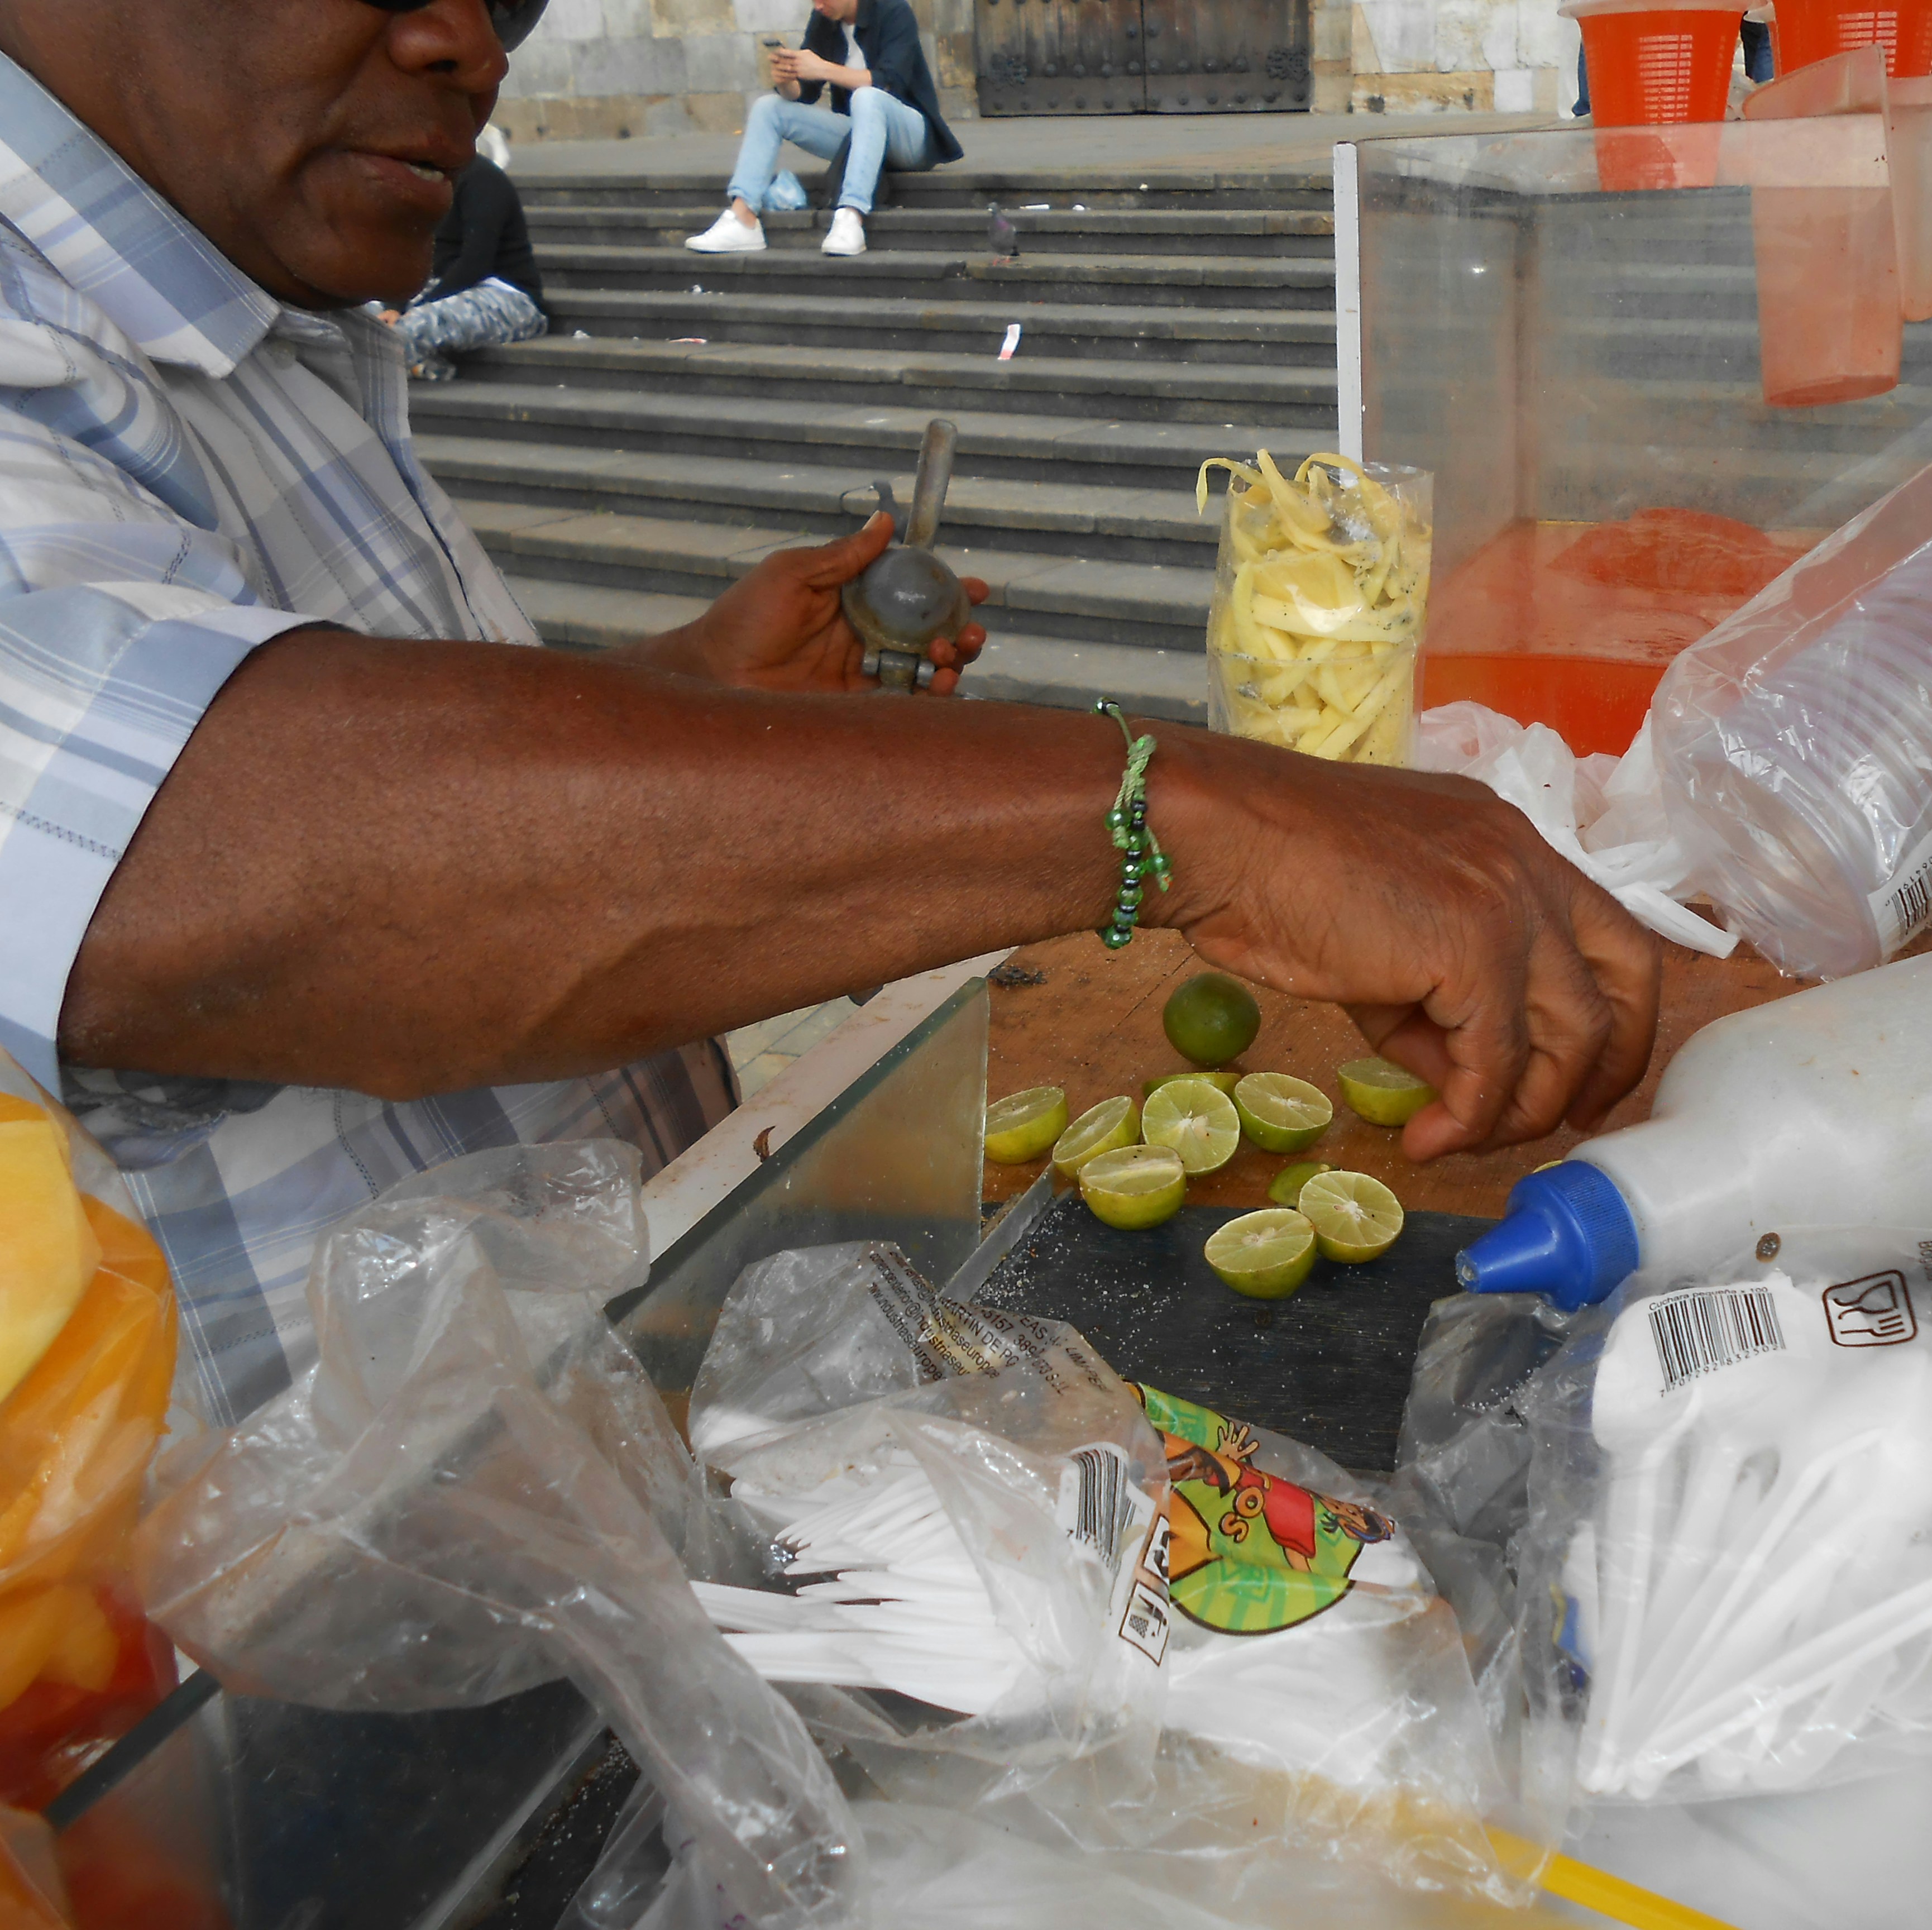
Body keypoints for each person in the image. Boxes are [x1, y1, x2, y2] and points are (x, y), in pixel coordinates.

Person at [0, 0, 1660, 1423]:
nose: (462, 42)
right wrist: (1186, 809)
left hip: (615, 1439)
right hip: (300, 1679)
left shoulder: (248, 302)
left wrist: (677, 701)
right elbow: (230, 850)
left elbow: (316, 719)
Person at [687, 0, 962, 259]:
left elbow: (890, 83)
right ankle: (742, 219)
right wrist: (787, 81)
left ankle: (850, 215)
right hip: (859, 137)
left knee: (867, 97)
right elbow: (805, 93)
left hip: (912, 138)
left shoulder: (893, 10)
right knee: (768, 107)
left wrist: (824, 69)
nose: (818, 6)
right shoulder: (825, 18)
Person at [377, 145, 544, 381]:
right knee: (360, 319)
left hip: (507, 296)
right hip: (442, 287)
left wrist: (413, 310)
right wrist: (393, 307)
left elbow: (476, 263)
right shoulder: (417, 183)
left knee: (406, 330)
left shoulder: (483, 179)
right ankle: (417, 367)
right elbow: (404, 251)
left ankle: (432, 375)